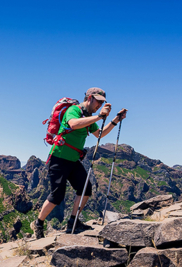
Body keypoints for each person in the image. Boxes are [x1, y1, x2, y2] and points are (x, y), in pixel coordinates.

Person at [31, 87, 127, 238]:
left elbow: (100, 134)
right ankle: (38, 224)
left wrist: (116, 119)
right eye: (98, 102)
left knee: (85, 189)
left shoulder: (89, 117)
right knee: (57, 196)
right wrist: (99, 117)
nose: (99, 106)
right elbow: (74, 124)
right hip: (59, 158)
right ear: (89, 98)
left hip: (73, 160)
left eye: (102, 103)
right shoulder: (74, 110)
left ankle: (73, 222)